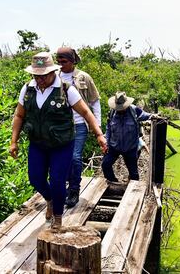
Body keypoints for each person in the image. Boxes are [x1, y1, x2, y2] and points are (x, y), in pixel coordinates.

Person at [9, 52, 107, 228]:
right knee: (36, 178)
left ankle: (58, 218)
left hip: (62, 144)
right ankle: (50, 199)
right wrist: (13, 141)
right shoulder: (28, 89)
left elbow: (86, 112)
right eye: (36, 75)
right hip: (38, 144)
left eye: (43, 75)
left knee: (57, 180)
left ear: (53, 71)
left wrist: (99, 134)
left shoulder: (66, 89)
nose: (39, 79)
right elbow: (19, 115)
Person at [56, 47, 101, 208]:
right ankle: (67, 187)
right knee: (62, 158)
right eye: (59, 61)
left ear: (73, 61)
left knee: (75, 157)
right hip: (60, 126)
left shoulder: (84, 77)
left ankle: (74, 190)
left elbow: (95, 101)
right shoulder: (54, 77)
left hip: (80, 124)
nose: (61, 65)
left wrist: (97, 126)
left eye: (64, 61)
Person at [102, 92, 156, 183]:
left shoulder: (134, 111)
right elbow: (108, 129)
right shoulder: (111, 113)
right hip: (114, 146)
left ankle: (133, 191)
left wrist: (153, 116)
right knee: (105, 165)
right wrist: (106, 142)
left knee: (134, 174)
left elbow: (145, 115)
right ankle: (114, 182)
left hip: (130, 148)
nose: (120, 110)